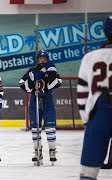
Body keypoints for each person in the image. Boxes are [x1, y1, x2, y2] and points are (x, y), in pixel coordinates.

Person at [77, 16, 112, 180]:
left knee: (88, 171)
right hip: (101, 109)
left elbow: (82, 94)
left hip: (100, 112)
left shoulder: (90, 57)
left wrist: (87, 121)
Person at [19, 49, 62, 165]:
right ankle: (37, 151)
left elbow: (58, 82)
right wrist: (31, 87)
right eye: (40, 58)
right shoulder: (31, 71)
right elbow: (21, 83)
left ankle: (52, 150)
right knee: (35, 128)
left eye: (44, 58)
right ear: (37, 60)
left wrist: (49, 73)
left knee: (50, 127)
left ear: (47, 59)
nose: (42, 60)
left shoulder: (51, 69)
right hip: (35, 99)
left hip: (48, 99)